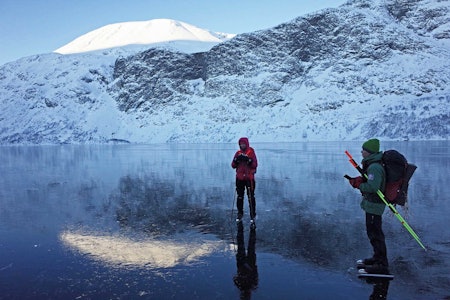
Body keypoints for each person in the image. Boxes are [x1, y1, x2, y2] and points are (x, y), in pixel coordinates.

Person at [348, 138, 389, 274]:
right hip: (372, 204)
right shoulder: (372, 165)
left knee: (375, 233)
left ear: (369, 152)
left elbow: (372, 186)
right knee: (373, 232)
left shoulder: (374, 167)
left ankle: (381, 264)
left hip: (374, 205)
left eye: (363, 150)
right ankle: (377, 258)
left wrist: (358, 184)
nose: (361, 152)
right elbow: (371, 182)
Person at [231, 137, 258, 225]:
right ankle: (240, 214)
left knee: (251, 197)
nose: (242, 145)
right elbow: (233, 165)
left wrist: (249, 160)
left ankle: (252, 214)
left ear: (246, 144)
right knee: (240, 196)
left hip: (249, 178)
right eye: (241, 144)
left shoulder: (251, 152)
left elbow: (255, 164)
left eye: (243, 144)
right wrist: (236, 160)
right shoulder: (238, 153)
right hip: (240, 178)